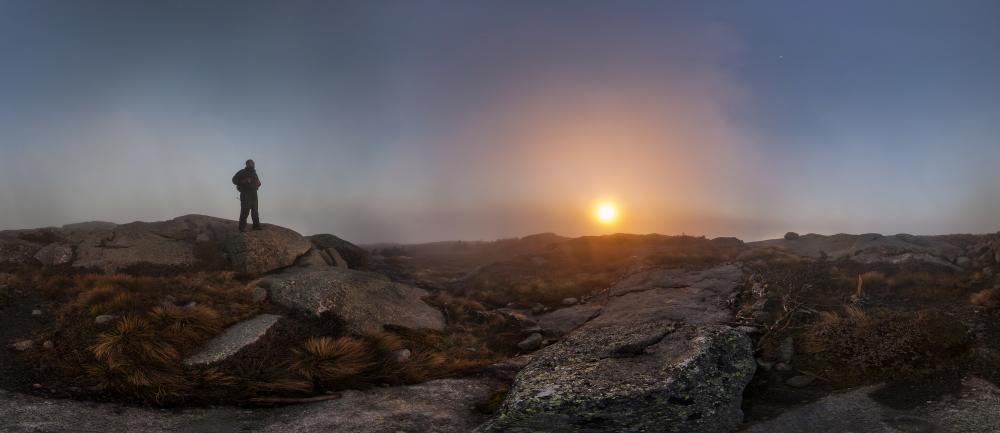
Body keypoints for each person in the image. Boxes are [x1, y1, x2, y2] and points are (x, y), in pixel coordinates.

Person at [232, 159, 263, 231]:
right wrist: (244, 181)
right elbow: (234, 180)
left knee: (255, 211)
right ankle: (242, 227)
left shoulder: (254, 173)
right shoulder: (242, 172)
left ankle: (256, 226)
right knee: (245, 210)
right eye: (251, 163)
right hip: (245, 193)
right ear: (247, 164)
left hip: (254, 193)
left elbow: (258, 182)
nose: (253, 164)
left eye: (253, 163)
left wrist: (259, 183)